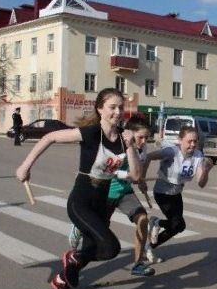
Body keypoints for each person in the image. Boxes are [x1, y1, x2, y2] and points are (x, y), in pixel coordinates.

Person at [16, 88, 142, 289]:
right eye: (112, 107)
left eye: (121, 107)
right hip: (81, 201)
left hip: (102, 202)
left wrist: (130, 145)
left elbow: (136, 176)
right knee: (111, 247)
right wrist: (25, 166)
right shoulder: (92, 132)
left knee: (94, 248)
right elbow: (50, 137)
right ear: (100, 109)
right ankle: (72, 258)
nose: (117, 112)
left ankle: (62, 280)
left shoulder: (123, 138)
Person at [68, 115, 159, 275]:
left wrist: (140, 180)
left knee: (142, 219)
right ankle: (73, 266)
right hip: (106, 192)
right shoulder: (117, 144)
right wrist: (128, 175)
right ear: (130, 133)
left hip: (124, 192)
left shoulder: (142, 148)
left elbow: (137, 170)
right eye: (141, 137)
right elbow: (104, 169)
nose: (144, 141)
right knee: (97, 243)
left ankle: (138, 264)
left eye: (147, 137)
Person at [146, 126, 214, 258]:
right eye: (189, 141)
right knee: (176, 224)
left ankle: (151, 242)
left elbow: (201, 183)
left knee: (179, 227)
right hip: (162, 193)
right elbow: (149, 156)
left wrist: (206, 170)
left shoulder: (198, 155)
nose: (193, 144)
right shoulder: (171, 152)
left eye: (195, 141)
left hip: (176, 194)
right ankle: (155, 227)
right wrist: (141, 179)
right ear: (180, 140)